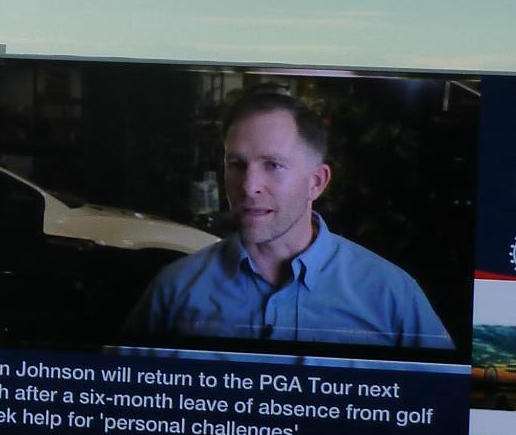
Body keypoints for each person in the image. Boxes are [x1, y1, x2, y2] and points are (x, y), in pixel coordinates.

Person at [123, 89, 452, 350]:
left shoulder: (391, 295)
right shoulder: (174, 289)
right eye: (237, 165)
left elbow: (444, 405)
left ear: (316, 182)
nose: (249, 186)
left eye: (273, 165)